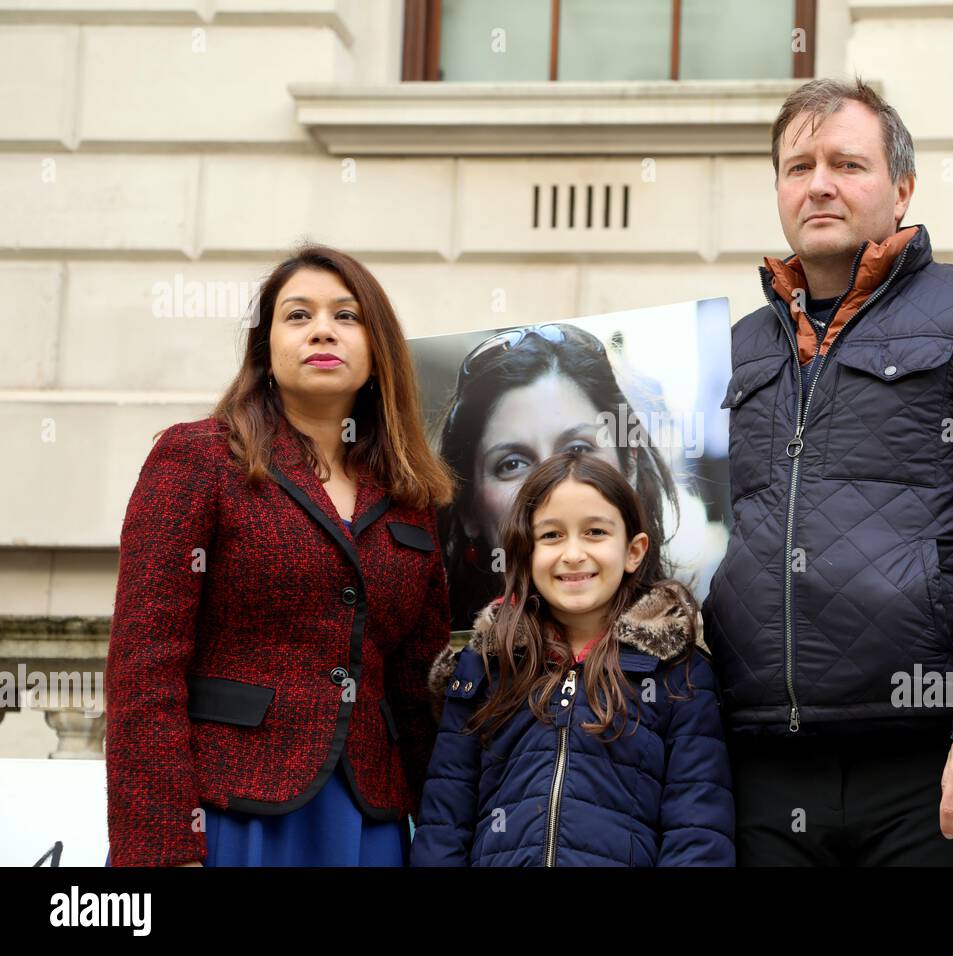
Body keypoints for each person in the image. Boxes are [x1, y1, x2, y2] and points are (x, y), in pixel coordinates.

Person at [701, 78, 953, 865]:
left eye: (847, 164)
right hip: (760, 767)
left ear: (902, 188)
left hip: (936, 765)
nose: (819, 184)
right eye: (798, 166)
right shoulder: (733, 349)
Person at [105, 244, 454, 866]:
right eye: (298, 315)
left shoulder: (411, 496)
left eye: (348, 316)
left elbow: (419, 686)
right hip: (225, 813)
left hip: (367, 820)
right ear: (265, 351)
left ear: (378, 353)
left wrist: (444, 838)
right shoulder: (198, 459)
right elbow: (143, 663)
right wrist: (161, 847)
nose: (324, 328)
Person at [410, 452, 734, 866]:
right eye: (551, 536)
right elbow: (443, 824)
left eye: (595, 532)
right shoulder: (486, 665)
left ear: (633, 550)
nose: (573, 553)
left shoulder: (677, 672)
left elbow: (698, 827)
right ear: (526, 551)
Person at [435, 322, 682, 630]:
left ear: (628, 468)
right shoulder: (446, 666)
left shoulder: (686, 661)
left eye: (577, 450)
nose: (554, 487)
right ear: (469, 506)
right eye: (512, 464)